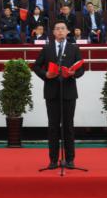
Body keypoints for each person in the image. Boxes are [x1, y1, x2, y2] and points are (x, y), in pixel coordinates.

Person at [33, 20, 85, 169]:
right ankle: (53, 160)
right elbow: (36, 66)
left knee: (68, 126)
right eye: (57, 29)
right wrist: (45, 74)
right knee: (53, 127)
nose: (60, 31)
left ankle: (70, 159)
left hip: (69, 92)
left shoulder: (74, 48)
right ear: (53, 32)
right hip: (51, 92)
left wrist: (73, 73)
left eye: (63, 28)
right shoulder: (47, 48)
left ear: (68, 32)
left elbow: (81, 69)